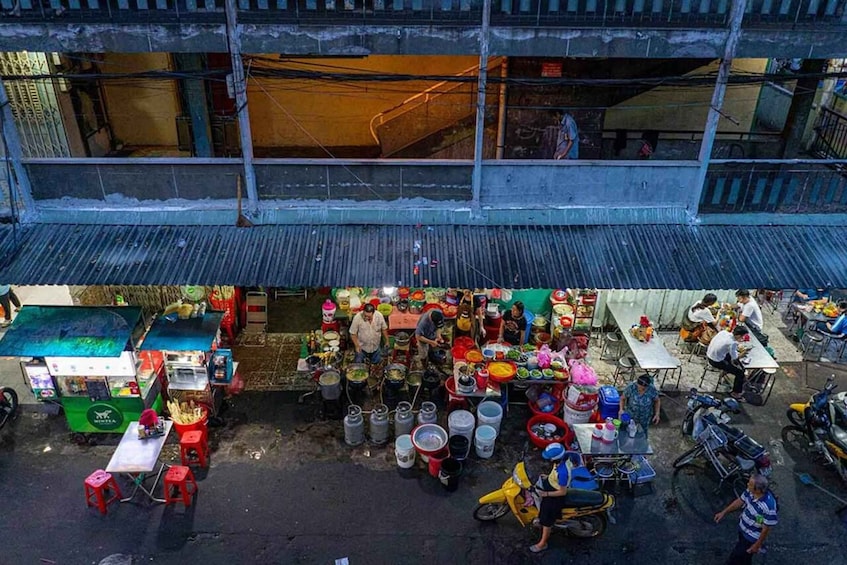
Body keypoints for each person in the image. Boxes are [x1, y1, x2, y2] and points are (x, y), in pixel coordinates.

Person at [714, 474, 778, 565]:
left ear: (758, 490)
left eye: (750, 484)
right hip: (743, 529)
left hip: (751, 536)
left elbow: (765, 530)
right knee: (745, 558)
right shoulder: (750, 492)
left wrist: (757, 545)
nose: (747, 485)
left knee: (734, 558)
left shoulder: (768, 507)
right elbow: (740, 501)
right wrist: (723, 512)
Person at [529, 442, 572, 554]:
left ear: (555, 459)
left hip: (555, 495)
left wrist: (546, 494)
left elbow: (562, 492)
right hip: (550, 485)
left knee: (546, 521)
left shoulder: (563, 473)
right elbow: (554, 472)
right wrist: (548, 477)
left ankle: (542, 544)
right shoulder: (561, 460)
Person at [706, 325, 749, 401]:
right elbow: (735, 357)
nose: (742, 338)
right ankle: (735, 393)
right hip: (715, 361)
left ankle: (725, 371)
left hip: (709, 354)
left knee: (729, 358)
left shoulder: (724, 332)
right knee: (740, 372)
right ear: (738, 335)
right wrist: (742, 354)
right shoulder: (732, 343)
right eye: (742, 337)